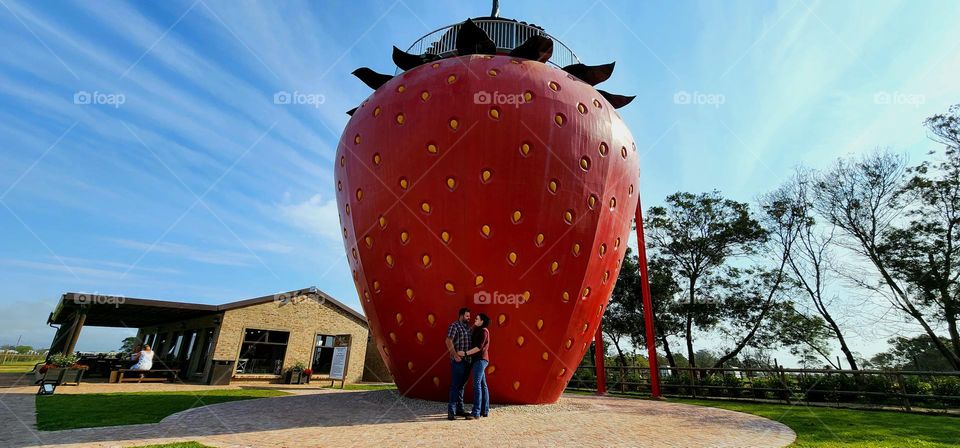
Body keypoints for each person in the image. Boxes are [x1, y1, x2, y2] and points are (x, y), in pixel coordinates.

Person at [459, 313, 490, 418]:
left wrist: (465, 353)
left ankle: (476, 412)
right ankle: (484, 411)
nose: (475, 320)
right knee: (482, 385)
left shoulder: (484, 331)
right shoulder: (478, 330)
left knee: (476, 385)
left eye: (477, 319)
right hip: (479, 360)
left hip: (480, 360)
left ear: (482, 321)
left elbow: (478, 348)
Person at [445, 307, 472, 420]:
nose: (468, 318)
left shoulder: (467, 328)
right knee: (455, 386)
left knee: (461, 386)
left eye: (469, 316)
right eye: (467, 316)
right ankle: (451, 412)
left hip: (467, 361)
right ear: (461, 315)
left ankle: (460, 410)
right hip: (458, 361)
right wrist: (455, 355)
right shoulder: (454, 326)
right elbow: (448, 340)